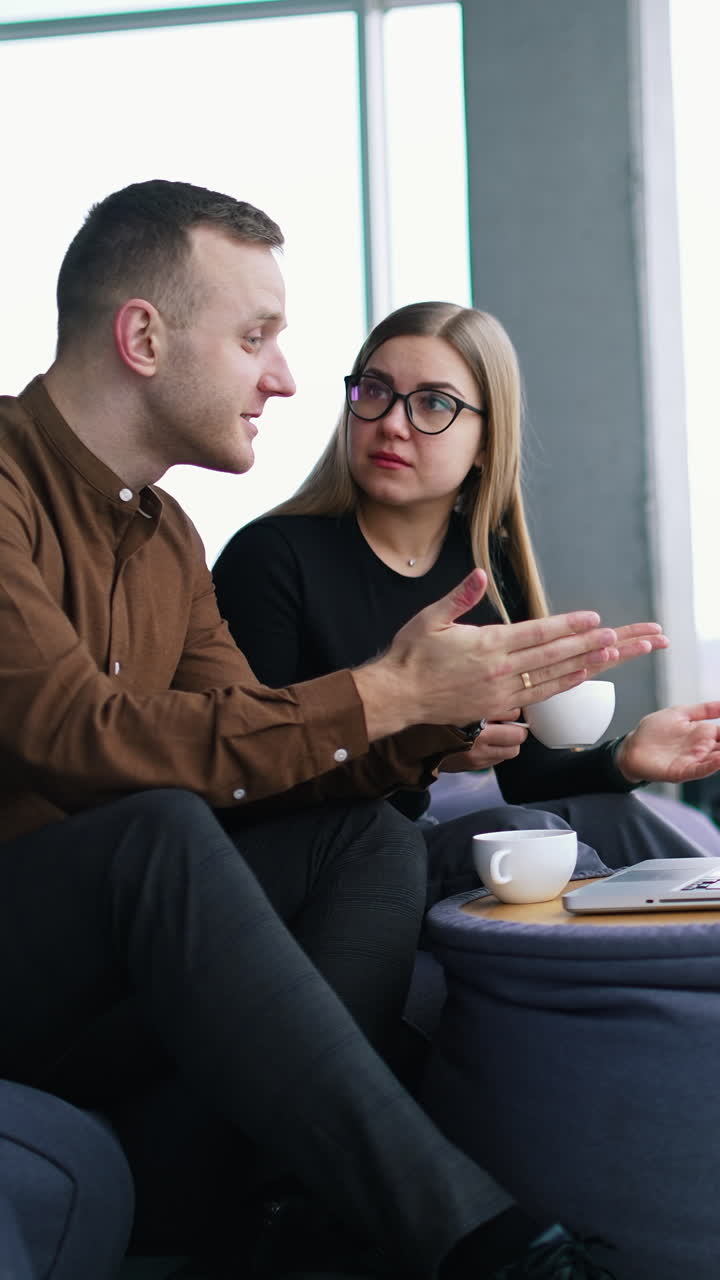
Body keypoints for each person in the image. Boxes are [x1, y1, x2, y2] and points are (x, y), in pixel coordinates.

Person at [0, 180, 656, 1280]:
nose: (288, 377)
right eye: (256, 335)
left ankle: (269, 1208)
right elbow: (75, 731)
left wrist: (426, 729)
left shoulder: (165, 541)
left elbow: (251, 742)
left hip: (111, 959)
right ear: (143, 335)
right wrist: (388, 694)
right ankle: (486, 1243)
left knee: (367, 836)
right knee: (157, 830)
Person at [212, 299, 720, 897]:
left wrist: (627, 757)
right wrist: (425, 746)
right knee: (521, 832)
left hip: (407, 842)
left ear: (486, 442)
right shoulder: (271, 557)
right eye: (375, 391)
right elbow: (247, 774)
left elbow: (527, 773)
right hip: (327, 854)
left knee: (619, 818)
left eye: (433, 403)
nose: (393, 423)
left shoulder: (486, 564)